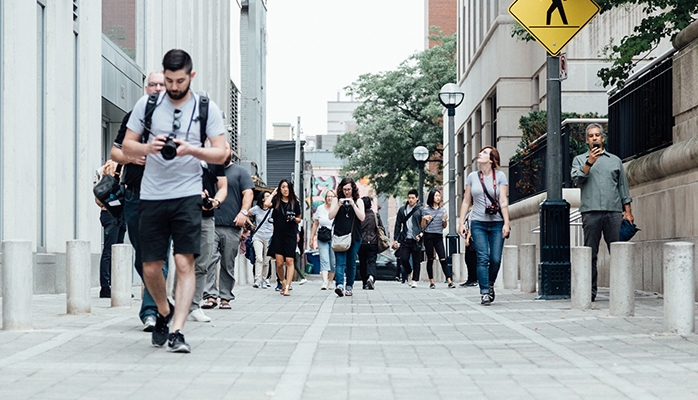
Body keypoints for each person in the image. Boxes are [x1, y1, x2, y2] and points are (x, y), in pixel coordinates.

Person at [122, 49, 228, 353]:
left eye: (179, 80)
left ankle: (178, 330)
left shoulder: (206, 107)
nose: (173, 86)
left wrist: (192, 150)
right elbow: (126, 145)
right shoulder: (148, 104)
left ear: (190, 76)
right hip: (152, 195)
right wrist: (147, 147)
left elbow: (221, 153)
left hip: (187, 195)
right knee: (151, 267)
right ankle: (164, 311)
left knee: (184, 262)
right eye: (168, 80)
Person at [111, 71, 168, 331]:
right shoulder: (133, 118)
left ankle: (151, 311)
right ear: (146, 88)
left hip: (165, 196)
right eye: (152, 84)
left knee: (158, 256)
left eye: (161, 84)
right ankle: (158, 297)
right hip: (134, 194)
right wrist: (131, 158)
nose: (156, 88)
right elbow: (115, 151)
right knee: (142, 256)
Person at [571, 123, 633, 302]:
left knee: (618, 251)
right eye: (591, 136)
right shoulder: (579, 160)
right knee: (590, 253)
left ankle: (622, 290)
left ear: (603, 138)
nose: (594, 138)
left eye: (597, 135)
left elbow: (623, 187)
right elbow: (576, 179)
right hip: (590, 212)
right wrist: (589, 162)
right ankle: (589, 292)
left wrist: (627, 211)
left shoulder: (615, 160)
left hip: (613, 211)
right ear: (586, 140)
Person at [458, 146, 510, 306]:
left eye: (485, 153)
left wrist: (507, 223)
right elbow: (467, 201)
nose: (480, 154)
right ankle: (484, 292)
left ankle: (490, 283)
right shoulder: (472, 177)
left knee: (495, 259)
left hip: (497, 223)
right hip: (478, 222)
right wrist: (461, 222)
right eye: (480, 151)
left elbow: (503, 201)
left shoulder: (500, 176)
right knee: (482, 257)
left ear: (492, 159)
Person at [206, 142, 254, 308]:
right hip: (209, 223)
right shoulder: (208, 170)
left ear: (231, 151)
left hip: (232, 226)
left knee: (228, 263)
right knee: (209, 260)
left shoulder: (241, 172)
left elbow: (248, 193)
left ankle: (225, 297)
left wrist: (244, 212)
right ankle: (210, 296)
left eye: (225, 148)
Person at [187, 156, 227, 323]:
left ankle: (194, 306)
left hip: (207, 217)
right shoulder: (180, 153)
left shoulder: (214, 159)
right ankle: (180, 304)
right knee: (184, 261)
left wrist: (215, 201)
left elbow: (223, 186)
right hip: (184, 214)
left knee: (203, 262)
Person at [93, 159, 127, 299]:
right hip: (112, 213)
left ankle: (113, 286)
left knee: (116, 251)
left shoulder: (103, 168)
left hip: (113, 213)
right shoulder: (110, 168)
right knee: (110, 250)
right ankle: (106, 287)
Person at [328, 177, 365, 297]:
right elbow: (330, 216)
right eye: (344, 189)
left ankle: (349, 286)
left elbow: (362, 217)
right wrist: (338, 205)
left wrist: (353, 205)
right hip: (339, 236)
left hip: (354, 236)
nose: (347, 192)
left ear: (353, 189)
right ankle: (339, 285)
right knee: (340, 262)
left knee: (351, 263)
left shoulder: (358, 201)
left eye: (349, 189)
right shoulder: (336, 200)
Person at [265, 179, 302, 296]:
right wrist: (273, 193)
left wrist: (293, 218)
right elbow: (266, 204)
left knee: (289, 260)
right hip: (278, 235)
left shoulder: (295, 203)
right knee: (279, 263)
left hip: (290, 234)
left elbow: (299, 218)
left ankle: (287, 287)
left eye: (287, 187)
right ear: (280, 189)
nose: (285, 189)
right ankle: (283, 281)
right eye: (283, 187)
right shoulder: (276, 201)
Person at [420, 189, 455, 289]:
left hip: (438, 236)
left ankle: (449, 281)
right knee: (430, 259)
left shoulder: (443, 210)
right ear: (431, 197)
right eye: (436, 196)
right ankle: (431, 281)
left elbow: (444, 226)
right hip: (428, 236)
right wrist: (424, 218)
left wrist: (444, 219)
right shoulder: (425, 210)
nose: (438, 198)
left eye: (439, 196)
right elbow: (423, 226)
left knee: (443, 258)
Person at [392, 189, 424, 288]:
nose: (410, 200)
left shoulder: (421, 209)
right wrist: (396, 239)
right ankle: (410, 272)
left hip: (416, 238)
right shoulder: (402, 210)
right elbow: (398, 225)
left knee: (416, 260)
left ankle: (415, 280)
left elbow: (424, 225)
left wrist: (421, 235)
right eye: (409, 198)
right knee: (403, 258)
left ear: (417, 198)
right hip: (405, 238)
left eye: (413, 198)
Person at [310, 190, 336, 290]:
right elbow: (316, 223)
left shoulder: (337, 208)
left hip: (334, 237)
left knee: (333, 261)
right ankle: (324, 281)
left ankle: (331, 281)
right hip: (322, 237)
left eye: (332, 196)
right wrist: (312, 237)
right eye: (328, 196)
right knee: (324, 259)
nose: (330, 198)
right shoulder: (320, 208)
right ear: (325, 198)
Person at [358, 196, 384, 290]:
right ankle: (371, 277)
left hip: (361, 243)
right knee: (371, 261)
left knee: (363, 263)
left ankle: (364, 282)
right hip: (373, 242)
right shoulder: (375, 215)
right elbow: (381, 228)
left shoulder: (359, 216)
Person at [249, 191, 274, 289]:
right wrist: (251, 225)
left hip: (269, 237)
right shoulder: (256, 209)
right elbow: (246, 213)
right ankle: (257, 279)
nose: (269, 197)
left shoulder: (273, 210)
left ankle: (264, 280)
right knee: (258, 258)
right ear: (263, 199)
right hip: (258, 236)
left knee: (266, 260)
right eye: (267, 196)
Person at [458, 206, 478, 287]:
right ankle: (470, 279)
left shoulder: (475, 210)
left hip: (472, 237)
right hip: (469, 237)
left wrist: (468, 238)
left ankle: (474, 279)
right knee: (468, 259)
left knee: (472, 259)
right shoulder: (469, 212)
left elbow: (472, 225)